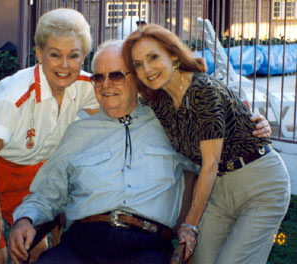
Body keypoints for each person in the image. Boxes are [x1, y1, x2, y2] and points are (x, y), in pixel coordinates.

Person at [7, 40, 200, 264]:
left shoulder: (168, 125)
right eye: (98, 77)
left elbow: (213, 158)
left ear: (136, 78)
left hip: (147, 246)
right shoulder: (78, 132)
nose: (105, 85)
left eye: (116, 76)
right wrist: (25, 219)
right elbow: (46, 193)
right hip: (82, 243)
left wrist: (241, 122)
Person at [122, 24, 291, 264]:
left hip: (260, 186)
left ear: (172, 54)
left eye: (153, 57)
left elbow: (210, 164)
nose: (147, 69)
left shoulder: (203, 91)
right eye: (138, 64)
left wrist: (189, 225)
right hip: (219, 192)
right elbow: (118, 101)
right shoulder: (159, 101)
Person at [0, 8, 99, 264]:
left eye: (73, 56)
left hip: (26, 166)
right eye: (55, 55)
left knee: (33, 245)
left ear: (83, 57)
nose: (64, 66)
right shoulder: (13, 97)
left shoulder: (84, 86)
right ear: (39, 54)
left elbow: (119, 105)